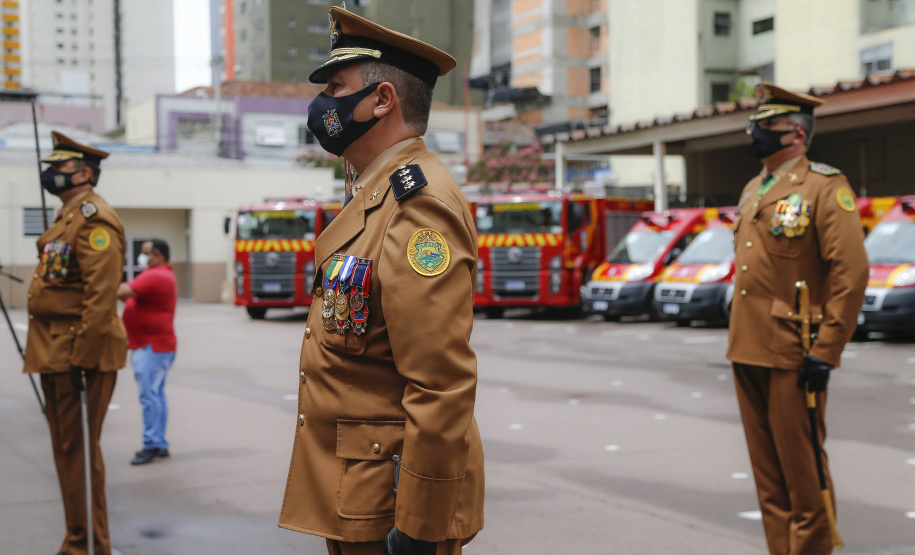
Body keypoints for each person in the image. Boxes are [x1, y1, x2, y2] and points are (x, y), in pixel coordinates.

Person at [277, 7, 484, 555]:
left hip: (392, 509)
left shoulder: (418, 206)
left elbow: (440, 384)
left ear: (382, 100)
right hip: (359, 494)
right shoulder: (376, 192)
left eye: (336, 88)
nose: (322, 104)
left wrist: (418, 529)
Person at [727, 83, 868, 554]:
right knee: (768, 479)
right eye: (757, 124)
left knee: (803, 474)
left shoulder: (825, 187)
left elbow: (851, 272)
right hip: (747, 346)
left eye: (767, 125)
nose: (756, 133)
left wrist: (827, 349)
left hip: (794, 349)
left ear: (797, 133)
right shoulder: (754, 188)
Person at [24, 131, 128, 555]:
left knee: (80, 453)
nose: (51, 173)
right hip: (54, 349)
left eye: (59, 167)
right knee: (68, 451)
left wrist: (81, 359)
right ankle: (78, 539)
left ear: (84, 174)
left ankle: (88, 545)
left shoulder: (94, 219)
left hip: (78, 352)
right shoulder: (68, 217)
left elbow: (100, 299)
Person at [118, 239, 177, 465]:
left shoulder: (156, 275)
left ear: (158, 255)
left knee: (149, 396)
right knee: (155, 395)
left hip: (152, 346)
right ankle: (158, 442)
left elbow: (121, 291)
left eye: (145, 253)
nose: (141, 258)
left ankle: (152, 444)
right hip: (154, 345)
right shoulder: (159, 274)